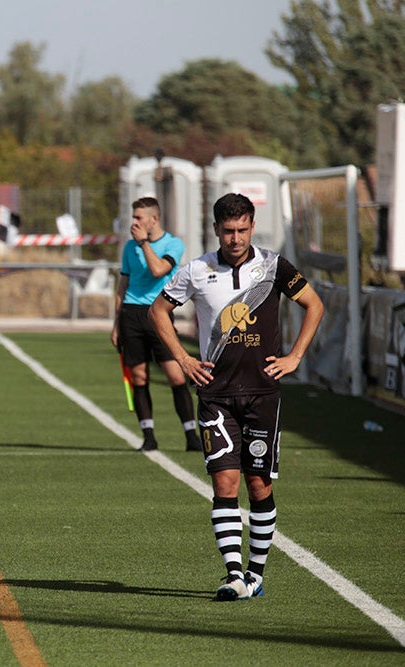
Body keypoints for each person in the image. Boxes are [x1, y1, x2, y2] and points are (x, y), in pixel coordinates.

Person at [149, 192, 323, 602]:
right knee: (224, 481)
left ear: (252, 226)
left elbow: (313, 305)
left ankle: (255, 575)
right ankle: (233, 575)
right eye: (227, 231)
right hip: (216, 394)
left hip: (262, 393)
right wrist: (183, 359)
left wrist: (295, 356)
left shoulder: (274, 266)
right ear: (215, 230)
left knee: (258, 484)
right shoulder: (197, 270)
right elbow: (158, 310)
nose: (235, 238)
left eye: (242, 229)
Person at [111, 196, 202, 453]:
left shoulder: (173, 244)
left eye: (139, 218)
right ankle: (148, 435)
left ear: (154, 219)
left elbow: (158, 270)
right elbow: (123, 284)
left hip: (159, 314)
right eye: (134, 217)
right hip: (131, 314)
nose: (135, 223)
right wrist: (116, 324)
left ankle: (190, 434)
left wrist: (144, 244)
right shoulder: (130, 247)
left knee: (175, 375)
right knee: (139, 377)